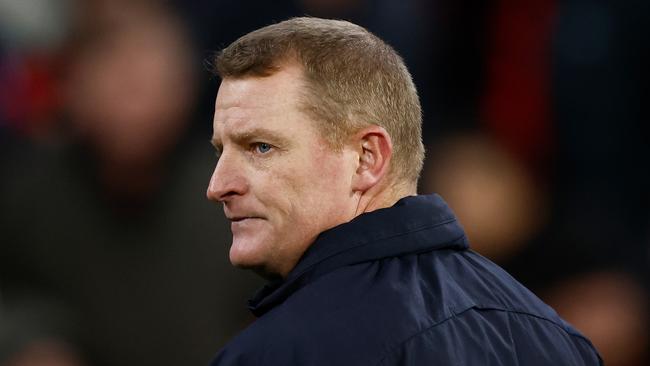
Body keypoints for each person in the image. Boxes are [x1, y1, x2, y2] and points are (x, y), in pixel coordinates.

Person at [206, 17, 602, 365]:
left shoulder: (278, 354)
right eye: (222, 151)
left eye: (261, 147)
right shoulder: (558, 340)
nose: (218, 186)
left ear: (366, 158)